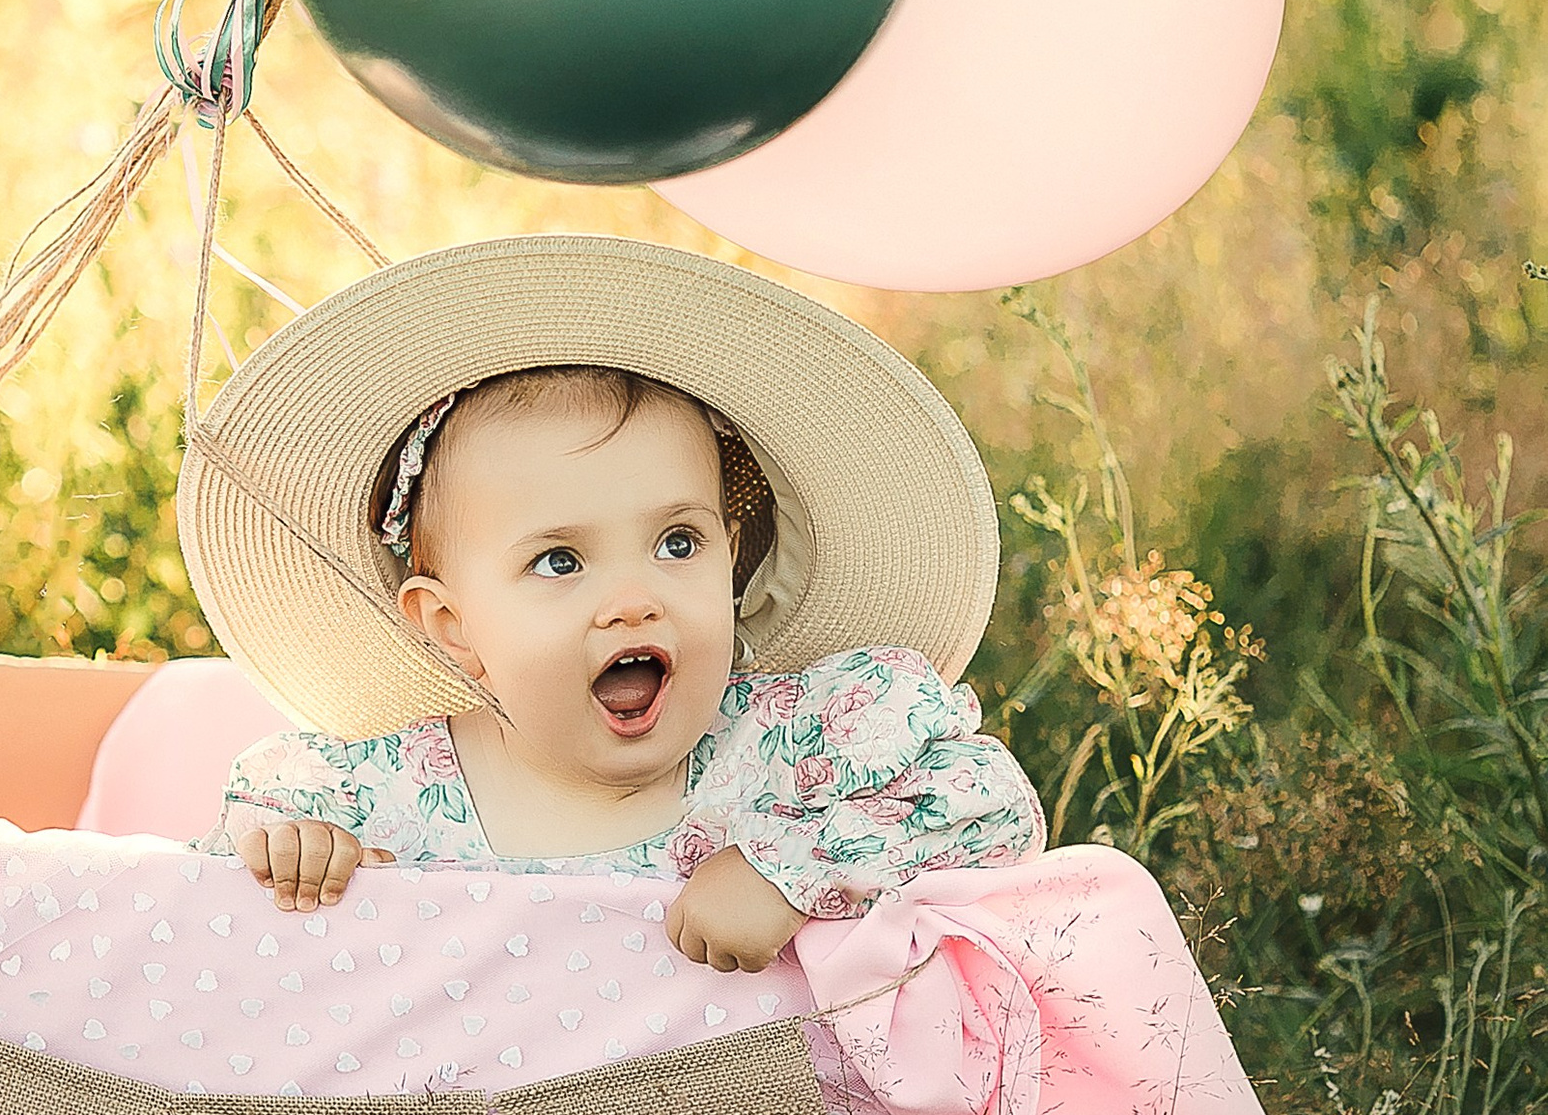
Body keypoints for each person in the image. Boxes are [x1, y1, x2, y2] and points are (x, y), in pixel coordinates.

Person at [178, 234, 1046, 973]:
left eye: (678, 545)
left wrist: (793, 868)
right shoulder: (381, 796)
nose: (633, 602)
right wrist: (293, 850)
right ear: (453, 626)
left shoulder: (789, 746)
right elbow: (211, 882)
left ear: (734, 563)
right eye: (560, 561)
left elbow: (991, 802)